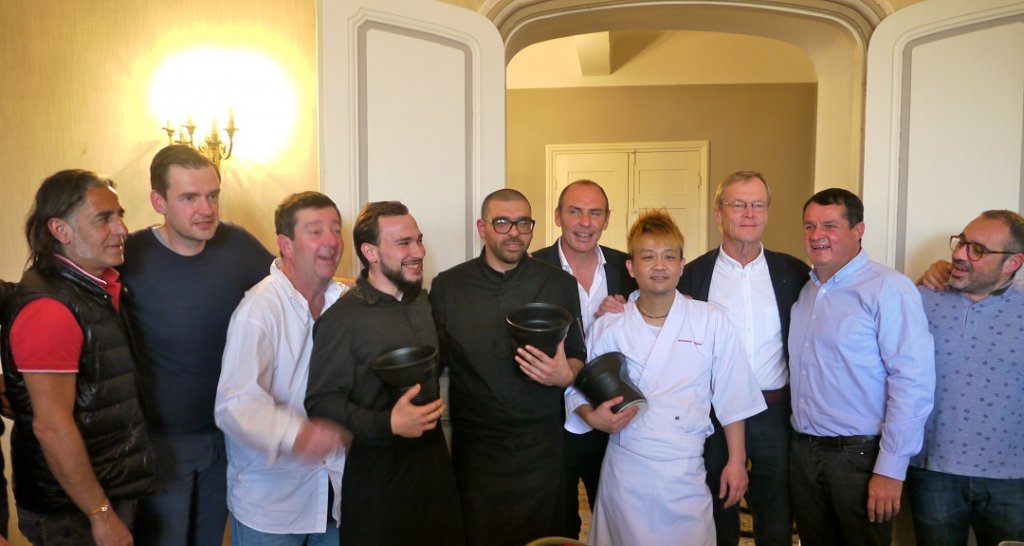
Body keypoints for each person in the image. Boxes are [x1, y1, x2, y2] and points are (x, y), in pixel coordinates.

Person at [564, 209, 766, 546]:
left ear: (681, 264)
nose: (660, 266)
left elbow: (734, 393)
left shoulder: (710, 319)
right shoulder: (610, 325)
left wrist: (736, 460)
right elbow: (580, 389)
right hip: (626, 468)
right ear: (632, 267)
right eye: (648, 257)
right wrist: (593, 418)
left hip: (685, 469)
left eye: (669, 257)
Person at [120, 145, 273, 545]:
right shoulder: (129, 256)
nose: (205, 208)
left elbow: (290, 294)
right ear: (159, 201)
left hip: (229, 436)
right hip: (161, 441)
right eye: (189, 198)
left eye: (212, 195)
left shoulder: (237, 244)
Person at [0, 170, 155, 546]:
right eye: (104, 218)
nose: (122, 229)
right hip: (74, 513)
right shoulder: (51, 308)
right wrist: (99, 514)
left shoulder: (95, 288)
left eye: (120, 215)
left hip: (106, 491)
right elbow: (51, 427)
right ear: (61, 230)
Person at [429, 189, 587, 545]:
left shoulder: (558, 283)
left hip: (542, 449)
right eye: (502, 222)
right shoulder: (448, 286)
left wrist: (566, 374)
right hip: (477, 452)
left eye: (523, 223)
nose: (514, 232)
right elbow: (432, 364)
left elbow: (578, 355)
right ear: (482, 227)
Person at [306, 201, 463, 545]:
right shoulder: (342, 319)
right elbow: (320, 402)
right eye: (404, 243)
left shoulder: (423, 302)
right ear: (370, 252)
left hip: (436, 478)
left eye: (418, 240)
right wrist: (388, 424)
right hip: (377, 486)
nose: (418, 251)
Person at [788, 188, 935, 546]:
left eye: (830, 225)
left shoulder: (888, 289)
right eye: (809, 226)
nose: (816, 235)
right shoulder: (807, 292)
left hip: (860, 458)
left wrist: (891, 468)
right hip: (805, 453)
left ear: (859, 230)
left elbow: (912, 382)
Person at [676, 171, 808, 546]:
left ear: (767, 212)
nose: (749, 213)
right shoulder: (693, 276)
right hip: (714, 413)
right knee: (718, 510)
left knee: (776, 512)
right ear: (719, 214)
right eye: (738, 205)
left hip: (774, 412)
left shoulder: (794, 272)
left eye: (758, 204)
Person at [214, 192, 349, 544]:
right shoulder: (258, 310)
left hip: (335, 497)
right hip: (272, 507)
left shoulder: (345, 303)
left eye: (336, 229)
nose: (332, 241)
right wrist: (299, 435)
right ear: (285, 245)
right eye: (316, 231)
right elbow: (235, 405)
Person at [908, 210, 1024, 546]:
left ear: (1013, 262)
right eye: (961, 242)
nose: (959, 254)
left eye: (978, 249)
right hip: (932, 471)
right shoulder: (920, 299)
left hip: (1012, 477)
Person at [531, 179, 637, 538]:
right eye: (575, 211)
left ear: (607, 219)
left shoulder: (629, 267)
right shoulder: (532, 268)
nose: (585, 222)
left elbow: (655, 327)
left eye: (595, 213)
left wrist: (630, 312)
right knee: (559, 522)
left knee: (615, 520)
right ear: (558, 216)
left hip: (613, 417)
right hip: (553, 419)